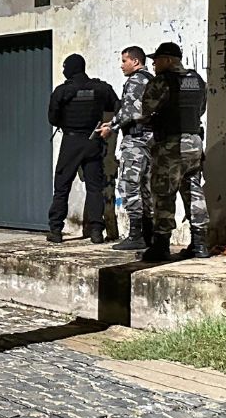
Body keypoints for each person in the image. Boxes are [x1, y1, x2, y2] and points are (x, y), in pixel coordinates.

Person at [138, 42, 209, 262]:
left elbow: (146, 110)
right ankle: (200, 244)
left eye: (157, 59)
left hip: (171, 144)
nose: (153, 63)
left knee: (164, 192)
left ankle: (161, 245)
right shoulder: (196, 80)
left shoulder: (160, 82)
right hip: (194, 142)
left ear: (168, 60)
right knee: (193, 190)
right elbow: (201, 108)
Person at [47, 53, 118, 243]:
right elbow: (117, 105)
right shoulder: (100, 88)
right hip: (93, 140)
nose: (63, 71)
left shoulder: (62, 91)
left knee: (62, 187)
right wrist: (108, 125)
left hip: (71, 142)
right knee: (95, 188)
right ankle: (96, 231)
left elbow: (52, 119)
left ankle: (55, 231)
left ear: (71, 68)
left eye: (64, 67)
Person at [99, 46, 154, 251]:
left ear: (136, 62)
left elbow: (130, 110)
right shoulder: (151, 79)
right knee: (146, 188)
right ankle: (149, 235)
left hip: (135, 140)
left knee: (130, 186)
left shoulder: (135, 80)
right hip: (150, 140)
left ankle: (136, 235)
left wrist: (111, 127)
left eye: (124, 61)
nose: (121, 65)